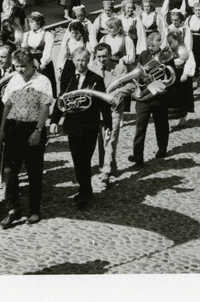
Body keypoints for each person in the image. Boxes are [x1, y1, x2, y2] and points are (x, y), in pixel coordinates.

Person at [50, 47, 111, 208]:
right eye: (77, 60)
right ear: (73, 60)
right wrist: (54, 121)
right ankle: (86, 189)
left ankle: (84, 192)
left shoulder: (96, 78)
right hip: (72, 125)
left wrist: (108, 124)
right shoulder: (68, 78)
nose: (80, 63)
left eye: (83, 60)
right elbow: (61, 100)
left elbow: (104, 104)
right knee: (78, 160)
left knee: (85, 159)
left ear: (88, 61)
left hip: (90, 125)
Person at [0, 48, 53, 227]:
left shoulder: (43, 81)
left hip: (33, 128)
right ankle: (13, 209)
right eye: (16, 66)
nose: (19, 70)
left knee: (34, 171)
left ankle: (34, 210)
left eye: (22, 66)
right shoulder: (13, 80)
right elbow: (7, 105)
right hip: (14, 128)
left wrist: (37, 131)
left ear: (31, 64)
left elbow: (45, 108)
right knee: (9, 171)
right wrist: (1, 129)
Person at [90, 43, 131, 186]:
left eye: (104, 56)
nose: (102, 59)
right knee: (102, 139)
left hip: (113, 109)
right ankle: (109, 167)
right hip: (98, 111)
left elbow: (131, 85)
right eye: (99, 57)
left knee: (110, 139)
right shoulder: (91, 68)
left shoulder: (119, 68)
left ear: (110, 55)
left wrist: (119, 94)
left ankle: (105, 171)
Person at [128, 32, 172, 164]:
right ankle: (137, 155)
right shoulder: (143, 55)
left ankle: (162, 149)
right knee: (140, 127)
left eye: (152, 45)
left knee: (161, 125)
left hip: (159, 97)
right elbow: (136, 70)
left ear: (159, 44)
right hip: (144, 98)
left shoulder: (166, 57)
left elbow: (170, 76)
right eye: (148, 45)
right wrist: (142, 77)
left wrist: (162, 87)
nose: (150, 48)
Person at [164, 29, 195, 129]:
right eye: (170, 42)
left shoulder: (185, 48)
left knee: (181, 97)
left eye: (173, 42)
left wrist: (186, 73)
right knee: (169, 96)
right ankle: (167, 121)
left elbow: (190, 61)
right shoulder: (167, 48)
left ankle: (182, 117)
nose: (171, 44)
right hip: (170, 73)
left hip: (181, 73)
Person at [22, 12, 57, 98]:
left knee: (44, 85)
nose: (29, 24)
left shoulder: (47, 35)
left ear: (38, 23)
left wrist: (43, 63)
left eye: (31, 22)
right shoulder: (26, 34)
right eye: (29, 22)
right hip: (29, 61)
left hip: (41, 62)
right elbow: (23, 48)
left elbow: (48, 51)